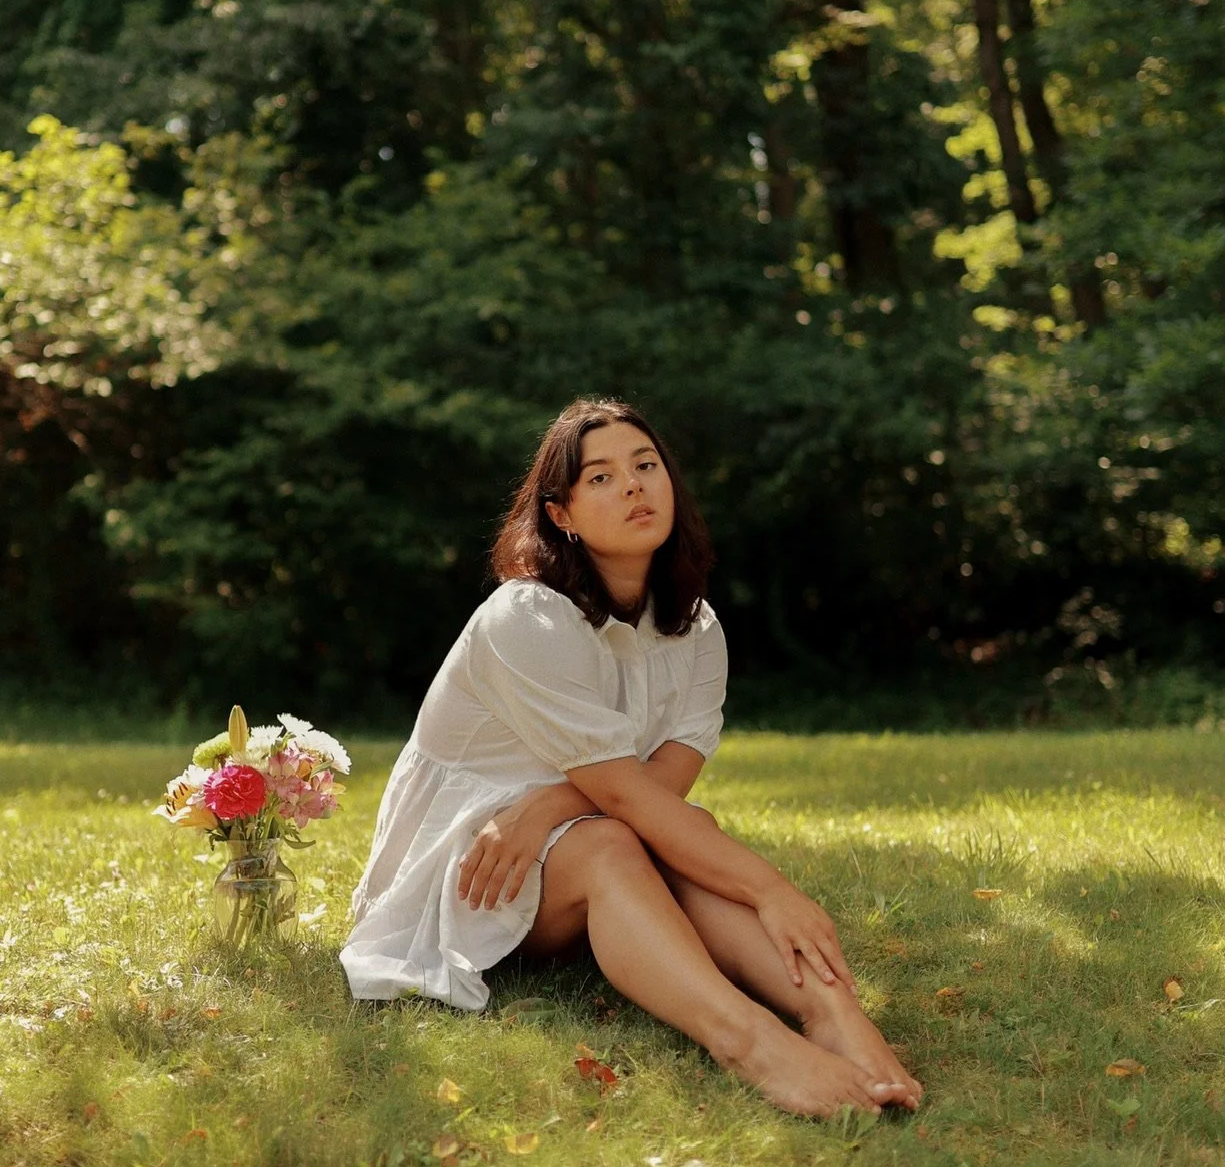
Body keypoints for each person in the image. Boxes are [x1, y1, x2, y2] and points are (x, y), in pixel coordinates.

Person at [340, 398, 920, 1117]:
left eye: (645, 466)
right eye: (602, 477)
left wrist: (550, 804)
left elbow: (662, 789)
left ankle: (836, 1015)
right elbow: (628, 801)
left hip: (567, 833)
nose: (635, 486)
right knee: (614, 841)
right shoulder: (526, 617)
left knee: (675, 829)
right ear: (562, 514)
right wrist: (772, 887)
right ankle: (747, 1040)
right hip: (470, 864)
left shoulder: (696, 627)